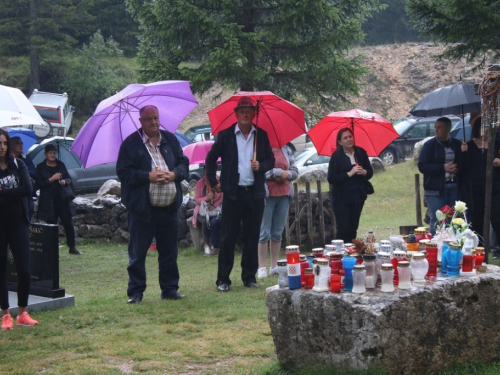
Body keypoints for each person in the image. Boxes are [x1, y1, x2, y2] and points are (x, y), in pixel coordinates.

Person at [116, 105, 189, 303]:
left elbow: (184, 164)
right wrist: (149, 176)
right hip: (142, 210)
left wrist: (173, 174)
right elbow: (123, 173)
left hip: (168, 208)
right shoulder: (131, 144)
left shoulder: (170, 140)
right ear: (141, 121)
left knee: (169, 252)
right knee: (138, 253)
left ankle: (170, 289)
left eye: (156, 118)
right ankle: (136, 292)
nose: (154, 122)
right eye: (149, 119)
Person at [205, 96, 275, 292]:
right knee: (228, 236)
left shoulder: (261, 135)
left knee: (252, 236)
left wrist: (261, 166)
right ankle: (223, 280)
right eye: (241, 110)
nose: (245, 113)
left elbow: (271, 160)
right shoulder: (226, 135)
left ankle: (249, 277)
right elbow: (210, 159)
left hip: (255, 193)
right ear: (236, 114)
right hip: (233, 194)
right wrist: (213, 182)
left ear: (254, 114)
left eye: (248, 110)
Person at [0, 129, 39, 329]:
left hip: (19, 222)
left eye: (5, 143)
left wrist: (4, 192)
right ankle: (5, 314)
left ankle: (22, 312)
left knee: (24, 269)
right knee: (2, 270)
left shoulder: (18, 164)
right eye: (0, 143)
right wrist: (12, 194)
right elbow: (20, 190)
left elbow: (27, 189)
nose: (2, 146)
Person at [257, 143, 298, 278]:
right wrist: (277, 173)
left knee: (277, 233)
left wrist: (286, 174)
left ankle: (274, 266)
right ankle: (262, 267)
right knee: (264, 232)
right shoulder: (260, 149)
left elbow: (295, 171)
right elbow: (258, 171)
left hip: (284, 195)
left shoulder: (286, 149)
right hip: (267, 196)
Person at [418, 117, 464, 235]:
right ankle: (433, 248)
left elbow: (465, 165)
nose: (436, 130)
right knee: (437, 220)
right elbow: (422, 166)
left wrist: (460, 161)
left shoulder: (457, 144)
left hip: (453, 187)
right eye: (435, 127)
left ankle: (448, 248)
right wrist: (442, 168)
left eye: (439, 127)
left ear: (448, 129)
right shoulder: (429, 145)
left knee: (451, 221)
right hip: (435, 190)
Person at [327, 127, 373, 243]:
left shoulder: (360, 153)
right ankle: (338, 255)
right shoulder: (336, 157)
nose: (349, 139)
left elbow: (370, 172)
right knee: (343, 229)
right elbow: (331, 178)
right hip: (341, 198)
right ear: (340, 142)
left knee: (353, 229)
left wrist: (364, 172)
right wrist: (350, 173)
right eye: (345, 138)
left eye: (350, 136)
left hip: (358, 196)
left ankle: (351, 256)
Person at [460, 117, 500, 248]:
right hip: (476, 189)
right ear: (477, 129)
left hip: (495, 188)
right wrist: (463, 153)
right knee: (477, 223)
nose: (486, 130)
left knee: (497, 220)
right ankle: (480, 251)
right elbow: (463, 169)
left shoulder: (496, 143)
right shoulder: (469, 146)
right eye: (483, 127)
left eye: (488, 127)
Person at [36, 144, 81, 255]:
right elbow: (39, 184)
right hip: (48, 201)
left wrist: (64, 181)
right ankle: (52, 249)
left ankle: (72, 247)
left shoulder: (60, 165)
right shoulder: (41, 167)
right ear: (46, 154)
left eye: (54, 152)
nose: (52, 155)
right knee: (52, 226)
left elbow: (69, 179)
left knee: (68, 223)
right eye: (50, 153)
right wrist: (52, 179)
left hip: (62, 199)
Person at [193, 173, 223, 256]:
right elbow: (196, 199)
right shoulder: (200, 183)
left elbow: (221, 197)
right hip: (202, 211)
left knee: (214, 221)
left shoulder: (218, 182)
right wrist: (206, 198)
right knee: (205, 221)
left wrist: (214, 205)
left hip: (215, 210)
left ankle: (215, 245)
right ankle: (206, 244)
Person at [10, 136, 37, 221]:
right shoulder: (7, 159)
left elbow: (34, 172)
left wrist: (23, 172)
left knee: (30, 207)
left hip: (25, 191)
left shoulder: (25, 158)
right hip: (11, 192)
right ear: (11, 145)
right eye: (18, 143)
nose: (21, 145)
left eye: (22, 143)